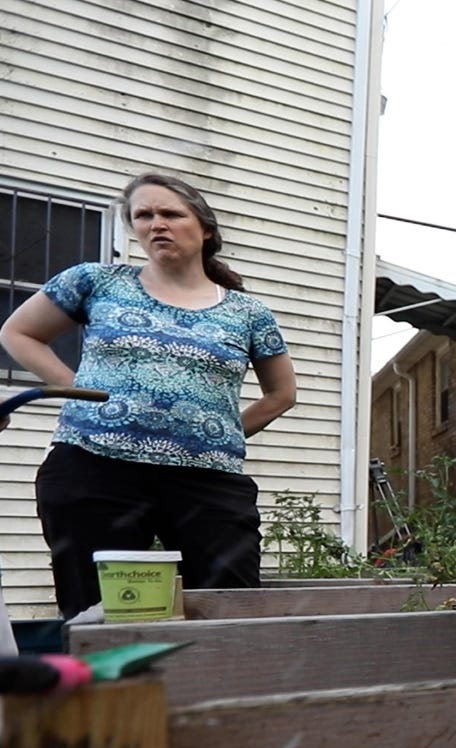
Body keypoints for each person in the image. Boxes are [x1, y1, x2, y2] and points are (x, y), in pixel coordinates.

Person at [0, 172, 297, 618]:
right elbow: (19, 332)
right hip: (94, 470)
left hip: (207, 481)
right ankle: (107, 687)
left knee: (229, 609)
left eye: (171, 213)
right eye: (144, 215)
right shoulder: (96, 282)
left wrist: (220, 435)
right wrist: (79, 391)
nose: (156, 223)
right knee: (97, 613)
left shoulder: (247, 312)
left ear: (205, 228)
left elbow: (281, 393)